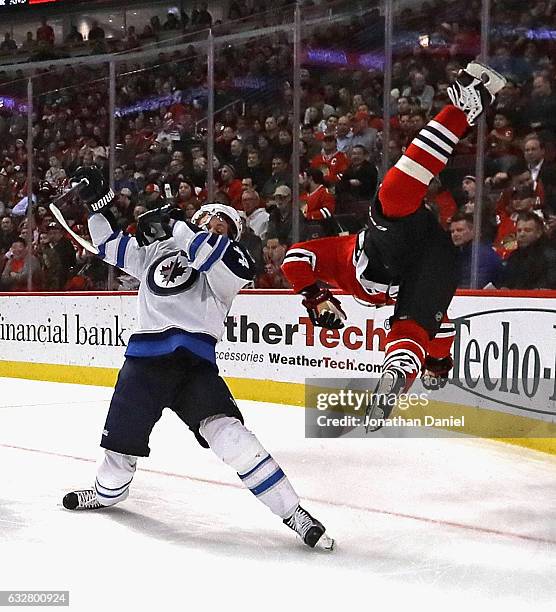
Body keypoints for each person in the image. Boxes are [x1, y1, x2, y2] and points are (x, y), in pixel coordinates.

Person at [60, 166, 333, 550]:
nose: (211, 223)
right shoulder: (158, 251)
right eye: (206, 217)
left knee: (233, 438)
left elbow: (211, 254)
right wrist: (96, 205)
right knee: (119, 444)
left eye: (221, 222)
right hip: (144, 361)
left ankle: (293, 512)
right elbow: (108, 247)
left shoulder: (230, 265)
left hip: (193, 368)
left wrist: (177, 226)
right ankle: (107, 494)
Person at [281, 61, 506, 430]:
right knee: (411, 325)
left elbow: (295, 257)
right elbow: (443, 329)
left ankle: (463, 107)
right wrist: (438, 364)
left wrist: (314, 294)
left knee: (393, 197)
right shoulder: (392, 296)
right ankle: (400, 368)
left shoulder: (340, 256)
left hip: (395, 242)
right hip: (432, 260)